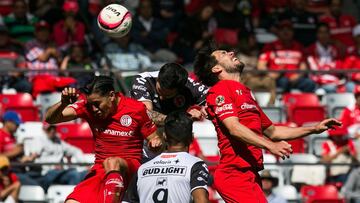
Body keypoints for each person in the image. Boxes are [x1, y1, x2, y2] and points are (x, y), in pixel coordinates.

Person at [193, 43, 342, 203]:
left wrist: (314, 128)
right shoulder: (220, 89)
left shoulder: (246, 92)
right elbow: (234, 128)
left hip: (250, 173)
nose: (231, 53)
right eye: (223, 54)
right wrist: (270, 146)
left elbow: (274, 132)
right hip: (233, 173)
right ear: (216, 69)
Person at [45, 75, 163, 203]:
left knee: (113, 162)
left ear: (111, 96)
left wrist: (155, 143)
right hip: (100, 168)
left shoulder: (136, 109)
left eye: (97, 104)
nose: (94, 109)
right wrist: (63, 103)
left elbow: (155, 138)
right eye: (91, 105)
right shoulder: (87, 106)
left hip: (129, 166)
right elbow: (50, 119)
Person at [124, 111, 209, 203]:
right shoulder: (195, 165)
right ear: (192, 138)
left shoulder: (142, 169)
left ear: (164, 136)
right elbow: (201, 200)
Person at [130, 62, 208, 126]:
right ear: (158, 78)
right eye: (159, 91)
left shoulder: (188, 86)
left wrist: (203, 110)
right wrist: (183, 118)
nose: (161, 97)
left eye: (168, 96)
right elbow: (146, 115)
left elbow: (214, 97)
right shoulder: (142, 80)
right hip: (141, 133)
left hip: (173, 136)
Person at [23, 123, 87, 191]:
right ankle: (71, 198)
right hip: (47, 172)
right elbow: (36, 158)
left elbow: (75, 150)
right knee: (74, 175)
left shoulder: (59, 142)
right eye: (49, 129)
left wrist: (84, 164)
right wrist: (53, 165)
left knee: (85, 174)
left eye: (53, 128)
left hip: (61, 171)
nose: (52, 131)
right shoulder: (39, 140)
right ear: (44, 129)